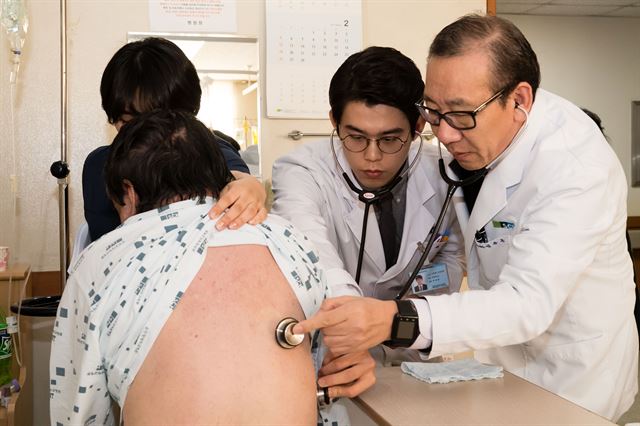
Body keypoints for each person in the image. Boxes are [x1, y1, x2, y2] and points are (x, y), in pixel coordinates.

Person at [295, 15, 638, 421]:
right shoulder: (480, 144)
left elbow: (527, 303)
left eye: (460, 113)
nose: (444, 134)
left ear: (520, 100)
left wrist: (393, 319)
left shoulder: (576, 168)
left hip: (572, 375)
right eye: (434, 111)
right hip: (503, 363)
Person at [50, 110, 328, 425]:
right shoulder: (291, 241)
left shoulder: (102, 259)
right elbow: (316, 363)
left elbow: (79, 410)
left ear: (128, 192)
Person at [271, 46, 465, 371]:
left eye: (390, 139)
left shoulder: (445, 173)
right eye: (356, 137)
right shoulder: (301, 170)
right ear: (334, 121)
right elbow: (310, 250)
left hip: (411, 351)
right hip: (334, 354)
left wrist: (401, 317)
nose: (372, 156)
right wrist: (354, 317)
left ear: (418, 126)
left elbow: (451, 256)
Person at [83, 37, 266, 242]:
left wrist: (250, 186)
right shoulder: (99, 165)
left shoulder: (210, 152)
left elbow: (235, 177)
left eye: (164, 122)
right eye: (130, 123)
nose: (148, 136)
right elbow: (103, 243)